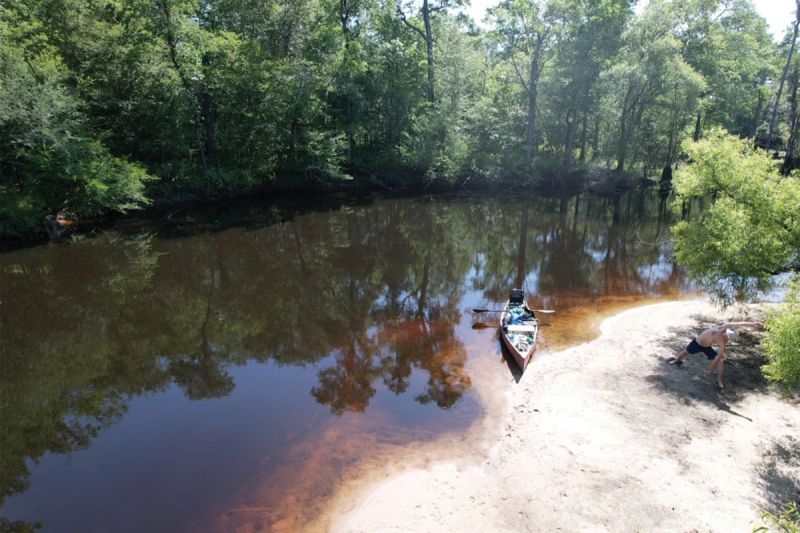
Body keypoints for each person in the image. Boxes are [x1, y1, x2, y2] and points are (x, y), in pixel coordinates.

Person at [667, 322, 761, 390]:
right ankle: (677, 360)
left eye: (728, 338)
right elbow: (738, 324)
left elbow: (719, 356)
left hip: (707, 347)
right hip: (698, 342)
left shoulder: (722, 342)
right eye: (726, 336)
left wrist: (710, 367)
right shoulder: (722, 328)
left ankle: (719, 380)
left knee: (720, 361)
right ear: (725, 332)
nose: (726, 338)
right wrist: (752, 324)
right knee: (686, 351)